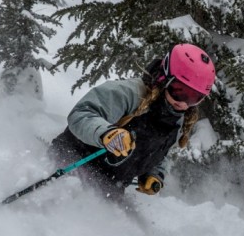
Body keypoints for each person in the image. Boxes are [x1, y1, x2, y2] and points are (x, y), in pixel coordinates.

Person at [48, 43, 215, 199]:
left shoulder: (177, 119)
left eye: (194, 97)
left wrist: (154, 173)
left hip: (108, 189)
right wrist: (106, 133)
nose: (184, 102)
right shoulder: (129, 94)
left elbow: (161, 151)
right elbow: (81, 114)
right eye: (180, 91)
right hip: (67, 167)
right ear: (165, 78)